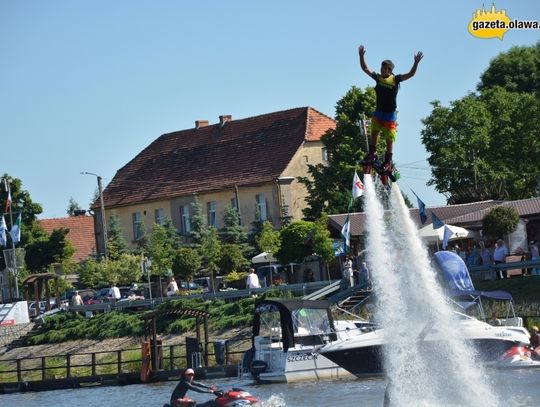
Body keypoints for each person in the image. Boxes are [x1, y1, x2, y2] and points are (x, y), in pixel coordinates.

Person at [358, 45, 423, 174]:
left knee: (389, 138)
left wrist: (415, 63)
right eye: (381, 67)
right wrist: (361, 56)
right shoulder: (378, 78)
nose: (382, 70)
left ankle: (388, 161)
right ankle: (372, 153)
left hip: (389, 115)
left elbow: (410, 74)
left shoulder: (395, 79)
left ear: (389, 70)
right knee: (374, 133)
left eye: (384, 68)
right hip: (378, 112)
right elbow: (365, 68)